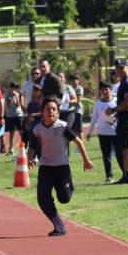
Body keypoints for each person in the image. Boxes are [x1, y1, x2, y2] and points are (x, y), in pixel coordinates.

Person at [28, 96, 94, 236]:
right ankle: (59, 225)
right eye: (47, 109)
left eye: (53, 109)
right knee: (43, 198)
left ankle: (67, 187)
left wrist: (86, 160)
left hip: (62, 167)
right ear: (42, 112)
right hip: (46, 167)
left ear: (57, 112)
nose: (50, 112)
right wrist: (31, 159)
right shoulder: (37, 129)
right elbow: (32, 148)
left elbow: (78, 142)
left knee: (64, 198)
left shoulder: (63, 126)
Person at [86, 81, 120, 183]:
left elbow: (121, 114)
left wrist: (114, 119)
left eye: (106, 89)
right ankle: (109, 175)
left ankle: (125, 172)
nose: (105, 91)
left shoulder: (116, 101)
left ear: (110, 90)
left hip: (115, 133)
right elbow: (94, 118)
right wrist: (89, 132)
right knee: (106, 155)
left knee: (119, 153)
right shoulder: (98, 103)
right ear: (100, 91)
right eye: (102, 89)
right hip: (103, 133)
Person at [2, 82, 24, 157]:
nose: (14, 89)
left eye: (15, 88)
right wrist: (12, 97)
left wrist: (17, 96)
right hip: (10, 116)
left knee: (21, 131)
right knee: (11, 132)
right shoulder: (7, 96)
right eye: (13, 87)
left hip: (18, 115)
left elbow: (19, 105)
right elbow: (8, 106)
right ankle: (11, 148)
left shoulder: (18, 94)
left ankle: (24, 146)